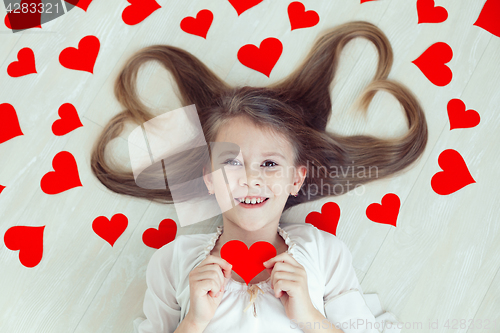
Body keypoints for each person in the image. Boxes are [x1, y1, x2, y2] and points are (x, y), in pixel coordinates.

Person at [90, 20, 428, 333]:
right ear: (209, 178)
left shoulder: (323, 252)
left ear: (297, 179)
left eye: (269, 165)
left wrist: (310, 316)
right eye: (231, 163)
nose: (251, 178)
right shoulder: (173, 261)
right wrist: (193, 321)